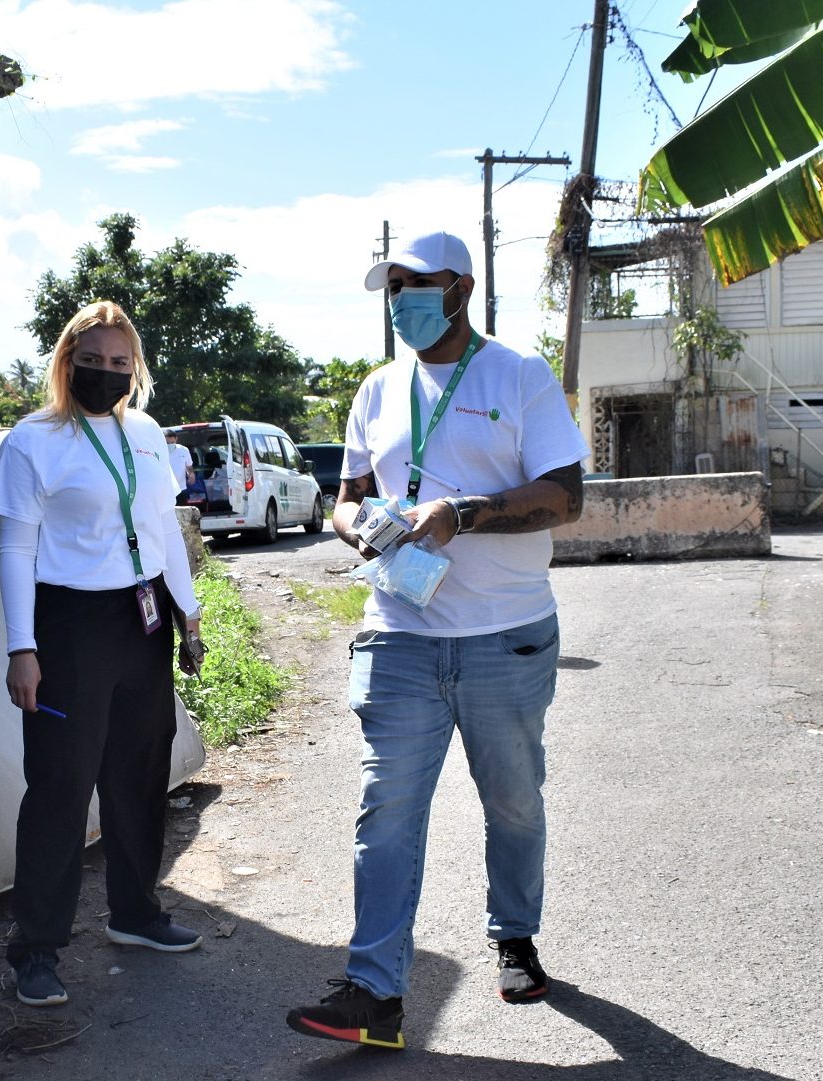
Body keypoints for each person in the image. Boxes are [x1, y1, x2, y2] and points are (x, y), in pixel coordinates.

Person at [285, 230, 588, 1050]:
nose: (401, 301)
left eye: (416, 284)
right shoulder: (376, 389)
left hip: (505, 636)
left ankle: (513, 934)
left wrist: (466, 513)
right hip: (399, 635)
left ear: (460, 286)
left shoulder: (519, 376)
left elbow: (566, 494)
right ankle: (374, 993)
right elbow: (341, 496)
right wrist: (360, 525)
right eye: (392, 288)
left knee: (514, 803)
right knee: (384, 811)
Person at [0, 300, 206, 1008]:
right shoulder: (33, 441)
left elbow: (166, 532)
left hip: (142, 618)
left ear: (134, 368)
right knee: (59, 785)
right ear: (66, 360)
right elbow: (15, 547)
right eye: (93, 361)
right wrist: (22, 645)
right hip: (68, 624)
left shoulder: (144, 433)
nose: (106, 373)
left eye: (120, 363)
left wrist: (189, 614)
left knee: (139, 774)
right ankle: (36, 949)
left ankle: (136, 912)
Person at [163, 429, 195, 495]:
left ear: (176, 439)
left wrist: (191, 474)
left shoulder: (183, 450)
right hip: (164, 490)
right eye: (167, 443)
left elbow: (189, 466)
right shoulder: (159, 451)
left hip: (180, 489)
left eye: (172, 442)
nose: (170, 445)